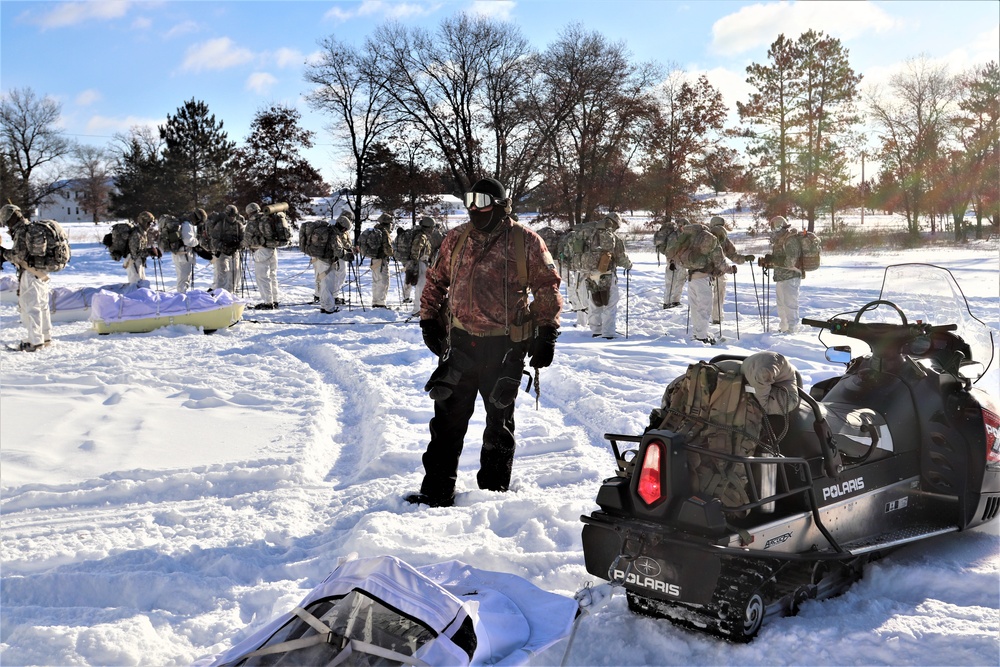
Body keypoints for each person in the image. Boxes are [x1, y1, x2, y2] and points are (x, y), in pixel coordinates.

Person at [408, 177, 562, 508]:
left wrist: (546, 331)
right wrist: (428, 319)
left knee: (499, 426)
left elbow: (547, 286)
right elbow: (436, 280)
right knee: (446, 423)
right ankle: (436, 491)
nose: (474, 208)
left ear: (501, 203)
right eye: (469, 201)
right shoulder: (457, 239)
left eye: (482, 200)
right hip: (460, 345)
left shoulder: (525, 241)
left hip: (504, 348)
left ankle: (492, 498)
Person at [0, 204, 63, 351]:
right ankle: (46, 338)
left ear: (8, 218)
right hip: (41, 273)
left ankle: (35, 342)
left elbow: (18, 255)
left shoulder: (22, 231)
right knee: (42, 306)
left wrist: (3, 253)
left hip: (29, 273)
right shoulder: (31, 227)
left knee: (30, 307)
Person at [677, 220, 728, 345]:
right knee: (704, 309)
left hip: (691, 277)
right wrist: (730, 269)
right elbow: (720, 263)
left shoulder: (694, 239)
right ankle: (702, 337)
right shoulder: (712, 241)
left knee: (695, 307)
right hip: (704, 279)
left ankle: (697, 333)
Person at [584, 212, 632, 339]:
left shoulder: (589, 233)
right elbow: (621, 258)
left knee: (594, 302)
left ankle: (596, 330)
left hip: (590, 273)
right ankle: (608, 333)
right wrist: (629, 265)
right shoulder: (613, 237)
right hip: (607, 274)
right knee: (609, 304)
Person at [708, 216, 754, 325]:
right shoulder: (724, 239)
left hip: (705, 272)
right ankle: (717, 318)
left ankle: (703, 320)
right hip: (721, 271)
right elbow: (733, 256)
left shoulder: (705, 237)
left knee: (705, 296)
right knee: (719, 296)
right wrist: (744, 258)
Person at [763, 215, 802, 334]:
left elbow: (790, 261)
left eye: (774, 228)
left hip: (791, 276)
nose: (773, 231)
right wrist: (770, 262)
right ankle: (784, 327)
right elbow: (780, 260)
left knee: (790, 304)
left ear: (780, 226)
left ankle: (793, 328)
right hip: (781, 277)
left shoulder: (790, 240)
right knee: (781, 305)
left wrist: (773, 260)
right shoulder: (780, 240)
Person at [244, 202, 281, 310]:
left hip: (261, 251)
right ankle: (275, 300)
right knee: (272, 276)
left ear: (249, 212)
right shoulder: (268, 218)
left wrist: (243, 244)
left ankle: (268, 303)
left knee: (262, 277)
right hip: (272, 249)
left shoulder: (252, 222)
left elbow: (246, 240)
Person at [160, 212, 199, 293]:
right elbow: (188, 241)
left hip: (179, 254)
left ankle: (181, 296)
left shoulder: (183, 223)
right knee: (183, 280)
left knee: (182, 278)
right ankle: (182, 298)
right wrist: (197, 242)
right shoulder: (187, 224)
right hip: (184, 255)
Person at [211, 205, 245, 295]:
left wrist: (239, 245)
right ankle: (220, 294)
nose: (232, 217)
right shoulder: (220, 225)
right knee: (223, 273)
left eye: (234, 215)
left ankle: (231, 294)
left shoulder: (239, 225)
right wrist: (223, 246)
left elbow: (243, 238)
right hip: (222, 253)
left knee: (235, 273)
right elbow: (214, 240)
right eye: (230, 215)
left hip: (235, 252)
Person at [407, 216, 436, 316]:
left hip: (420, 262)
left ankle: (418, 308)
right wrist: (415, 263)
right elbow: (416, 250)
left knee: (421, 286)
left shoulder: (421, 235)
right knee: (421, 286)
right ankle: (417, 309)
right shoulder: (421, 236)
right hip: (420, 263)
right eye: (432, 227)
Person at [654, 217, 684, 309]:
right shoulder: (674, 235)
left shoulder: (680, 234)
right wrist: (671, 261)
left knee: (680, 280)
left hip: (681, 260)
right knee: (671, 281)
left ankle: (675, 300)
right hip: (673, 261)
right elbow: (670, 248)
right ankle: (667, 302)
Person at [125, 211, 161, 286]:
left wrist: (153, 250)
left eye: (151, 223)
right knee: (136, 286)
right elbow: (135, 253)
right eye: (148, 223)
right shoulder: (136, 234)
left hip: (138, 262)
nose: (150, 225)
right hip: (133, 262)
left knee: (141, 285)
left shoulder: (142, 232)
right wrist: (149, 252)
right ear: (143, 222)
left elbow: (141, 248)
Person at [370, 213, 394, 308]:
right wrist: (392, 253)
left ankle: (375, 301)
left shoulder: (375, 230)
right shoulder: (384, 232)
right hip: (381, 259)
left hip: (374, 259)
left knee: (376, 280)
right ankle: (380, 302)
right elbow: (387, 247)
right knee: (383, 281)